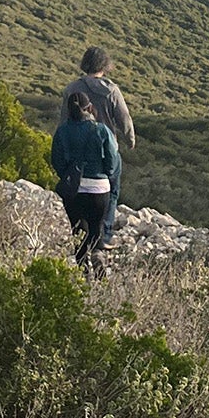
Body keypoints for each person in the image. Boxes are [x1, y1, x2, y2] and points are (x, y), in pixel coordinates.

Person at [49, 88, 120, 273]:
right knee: (96, 227)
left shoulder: (62, 131)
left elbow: (56, 160)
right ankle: (97, 255)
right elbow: (112, 161)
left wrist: (68, 176)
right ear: (89, 108)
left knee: (78, 229)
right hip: (99, 188)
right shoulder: (101, 130)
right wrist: (106, 174)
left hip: (74, 189)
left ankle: (82, 271)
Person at [69, 47, 134, 244]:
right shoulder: (111, 90)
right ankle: (103, 235)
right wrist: (130, 138)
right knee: (111, 190)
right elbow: (123, 118)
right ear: (105, 66)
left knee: (78, 189)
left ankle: (82, 234)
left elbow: (64, 120)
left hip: (77, 146)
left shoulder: (72, 89)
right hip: (107, 148)